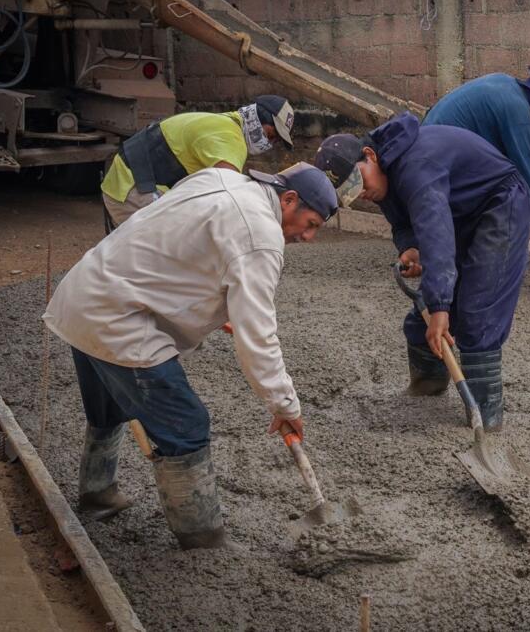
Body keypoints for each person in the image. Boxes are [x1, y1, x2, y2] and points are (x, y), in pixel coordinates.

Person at [43, 161, 337, 549]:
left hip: (84, 291)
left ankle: (98, 494)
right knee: (186, 424)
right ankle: (203, 540)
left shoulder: (221, 178)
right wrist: (285, 405)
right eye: (311, 223)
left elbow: (181, 245)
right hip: (117, 320)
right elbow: (259, 336)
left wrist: (215, 307)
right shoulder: (261, 237)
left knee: (112, 405)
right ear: (289, 199)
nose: (309, 236)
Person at [315, 112, 530, 432]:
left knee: (476, 310)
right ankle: (427, 387)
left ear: (370, 156)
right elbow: (406, 222)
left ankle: (487, 420)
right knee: (423, 318)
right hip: (463, 212)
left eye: (357, 182)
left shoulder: (416, 165)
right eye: (349, 193)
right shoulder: (384, 173)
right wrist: (409, 247)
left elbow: (436, 232)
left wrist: (441, 306)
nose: (359, 194)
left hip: (501, 204)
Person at [423, 66, 530, 254]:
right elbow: (526, 168)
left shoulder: (504, 82)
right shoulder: (519, 111)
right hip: (440, 155)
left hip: (430, 144)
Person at [100, 94, 296, 227]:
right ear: (256, 118)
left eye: (275, 141)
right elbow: (231, 195)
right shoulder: (230, 138)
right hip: (133, 190)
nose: (269, 144)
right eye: (271, 135)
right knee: (182, 249)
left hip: (124, 184)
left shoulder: (220, 123)